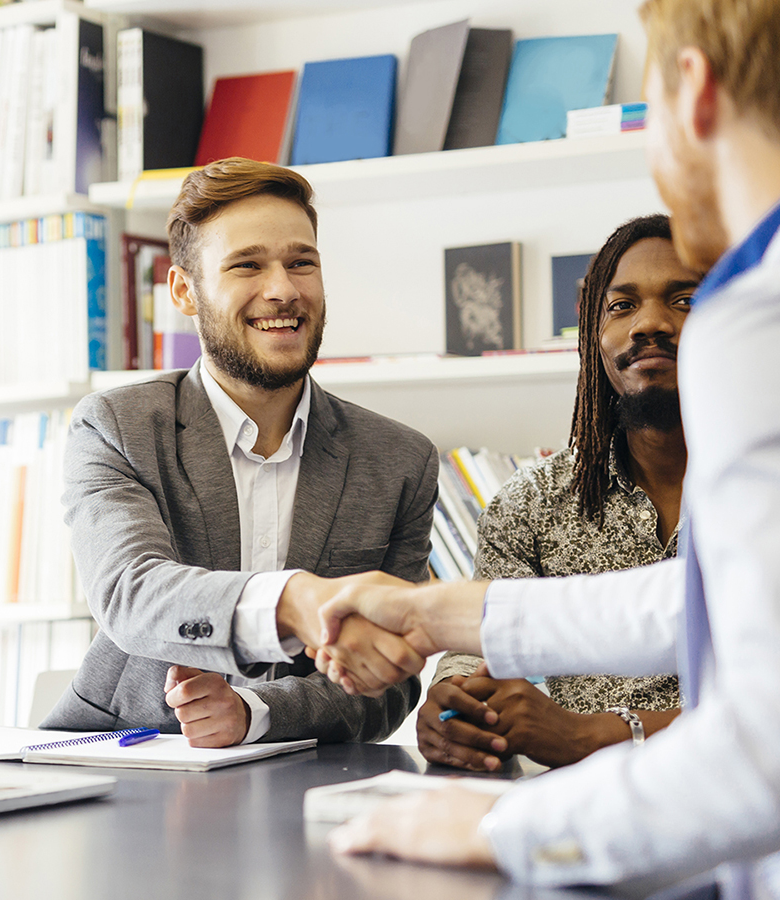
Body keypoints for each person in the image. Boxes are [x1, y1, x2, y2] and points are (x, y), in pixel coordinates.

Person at [312, 0, 780, 891]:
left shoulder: (756, 322)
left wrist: (513, 826)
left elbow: (763, 746)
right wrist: (438, 614)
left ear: (693, 91)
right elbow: (722, 600)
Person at [40, 157, 438, 747]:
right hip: (124, 755)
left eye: (301, 262)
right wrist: (293, 600)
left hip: (304, 774)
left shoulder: (400, 460)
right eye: (246, 265)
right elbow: (132, 592)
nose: (282, 290)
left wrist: (256, 712)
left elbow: (389, 681)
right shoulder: (116, 427)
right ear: (185, 291)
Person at [422, 214, 702, 772]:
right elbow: (477, 642)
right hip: (578, 823)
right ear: (592, 340)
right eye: (621, 306)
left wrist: (598, 734)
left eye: (685, 301)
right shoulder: (531, 504)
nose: (650, 323)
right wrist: (454, 704)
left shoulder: (761, 488)